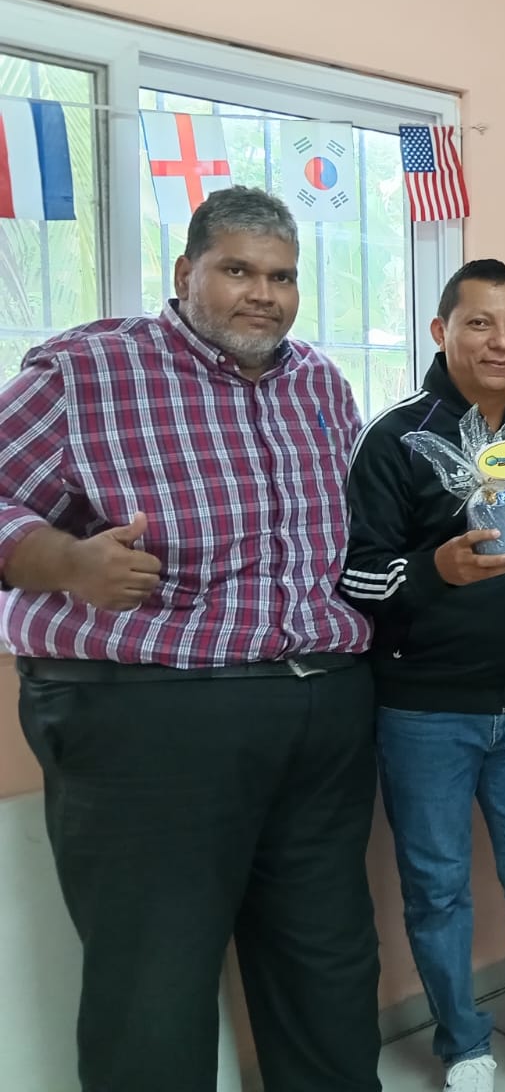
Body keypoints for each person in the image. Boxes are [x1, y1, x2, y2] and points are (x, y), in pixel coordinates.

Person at [0, 186, 380, 1092]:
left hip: (319, 706)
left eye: (282, 276)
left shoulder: (320, 384)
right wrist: (67, 561)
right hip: (152, 716)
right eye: (238, 270)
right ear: (184, 273)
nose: (264, 295)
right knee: (155, 990)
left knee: (328, 969)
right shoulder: (86, 371)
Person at [339, 259, 505, 1092]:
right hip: (422, 712)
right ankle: (464, 1047)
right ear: (441, 330)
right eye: (480, 323)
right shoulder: (395, 437)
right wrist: (432, 569)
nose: (501, 341)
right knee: (437, 890)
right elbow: (351, 575)